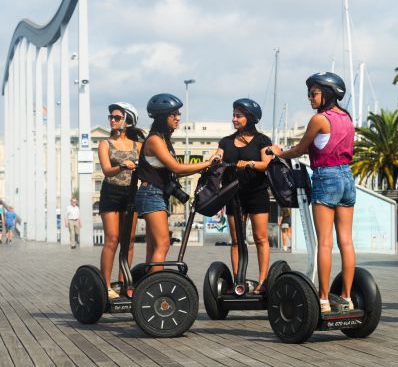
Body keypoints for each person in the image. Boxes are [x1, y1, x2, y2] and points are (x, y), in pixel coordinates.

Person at [270, 72, 356, 313]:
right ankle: (348, 297)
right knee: (346, 242)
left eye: (314, 93)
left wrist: (279, 153)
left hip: (326, 177)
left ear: (328, 94)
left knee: (325, 242)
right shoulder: (347, 118)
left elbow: (299, 149)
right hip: (347, 178)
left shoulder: (320, 119)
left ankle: (324, 299)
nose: (309, 97)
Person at [136, 93, 213, 272]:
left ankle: (147, 284)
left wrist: (203, 167)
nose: (178, 118)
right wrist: (208, 163)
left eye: (178, 114)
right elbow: (177, 168)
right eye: (174, 114)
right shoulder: (155, 140)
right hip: (151, 194)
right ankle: (155, 286)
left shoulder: (164, 139)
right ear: (163, 117)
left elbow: (173, 172)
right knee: (163, 244)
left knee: (153, 246)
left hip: (156, 193)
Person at [212, 98, 273, 294]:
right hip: (233, 194)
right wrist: (214, 160)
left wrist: (250, 163)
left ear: (250, 118)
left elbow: (267, 163)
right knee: (237, 240)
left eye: (238, 116)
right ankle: (238, 281)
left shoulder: (262, 140)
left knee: (260, 238)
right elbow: (217, 156)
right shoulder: (226, 141)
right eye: (234, 115)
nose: (234, 119)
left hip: (256, 193)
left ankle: (262, 281)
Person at [98, 102, 145, 299]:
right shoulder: (105, 144)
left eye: (117, 117)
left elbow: (145, 168)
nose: (112, 120)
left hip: (131, 193)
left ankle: (123, 283)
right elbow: (107, 171)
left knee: (129, 240)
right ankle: (105, 285)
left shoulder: (139, 146)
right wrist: (123, 167)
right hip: (111, 192)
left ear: (128, 120)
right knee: (112, 239)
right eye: (111, 117)